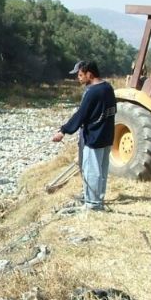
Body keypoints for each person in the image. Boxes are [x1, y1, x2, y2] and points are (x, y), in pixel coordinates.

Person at [52, 60, 117, 211]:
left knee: (91, 171)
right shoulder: (108, 87)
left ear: (90, 74)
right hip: (107, 136)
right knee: (101, 170)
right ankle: (95, 198)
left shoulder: (92, 92)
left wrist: (63, 131)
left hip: (94, 137)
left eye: (80, 75)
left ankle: (93, 204)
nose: (78, 78)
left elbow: (81, 115)